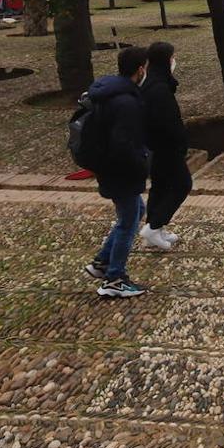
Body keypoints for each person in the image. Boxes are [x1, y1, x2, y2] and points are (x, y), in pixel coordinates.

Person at [83, 46, 151, 298]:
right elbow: (124, 144)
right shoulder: (126, 102)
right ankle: (114, 278)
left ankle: (102, 261)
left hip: (108, 167)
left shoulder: (109, 92)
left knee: (136, 211)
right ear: (140, 70)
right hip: (121, 171)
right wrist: (143, 164)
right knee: (128, 221)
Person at [137, 41, 191, 250]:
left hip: (158, 147)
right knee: (182, 185)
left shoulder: (155, 83)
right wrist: (180, 144)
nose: (173, 61)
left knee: (159, 187)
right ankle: (154, 226)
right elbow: (168, 123)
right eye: (171, 57)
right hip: (166, 148)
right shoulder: (158, 89)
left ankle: (155, 230)